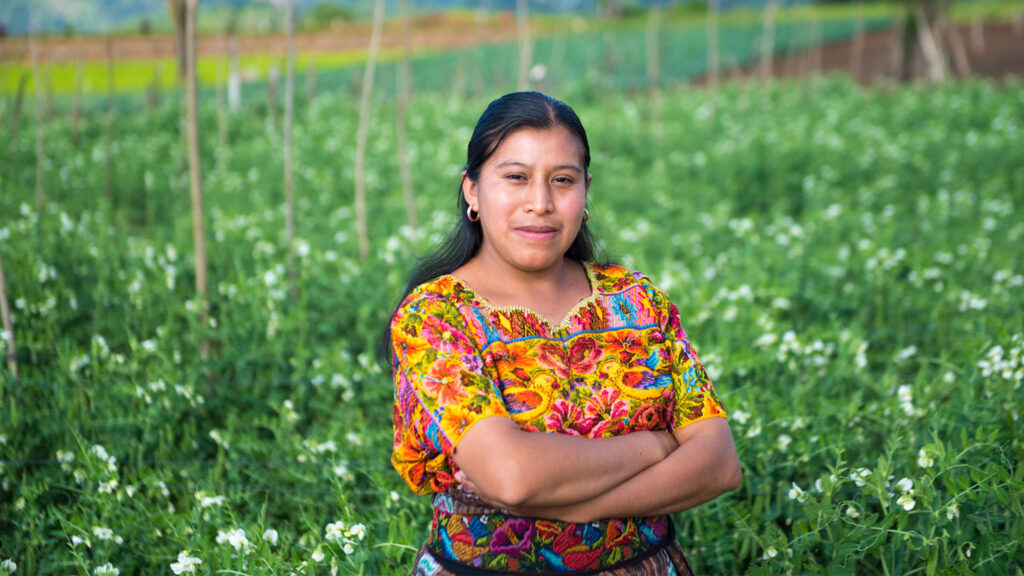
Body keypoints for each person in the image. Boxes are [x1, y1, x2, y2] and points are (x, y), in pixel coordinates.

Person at [383, 91, 741, 575]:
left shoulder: (634, 301)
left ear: (586, 191)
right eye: (515, 177)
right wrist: (656, 445)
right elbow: (513, 476)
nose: (541, 203)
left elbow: (719, 463)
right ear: (471, 189)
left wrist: (579, 508)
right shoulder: (437, 317)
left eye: (563, 180)